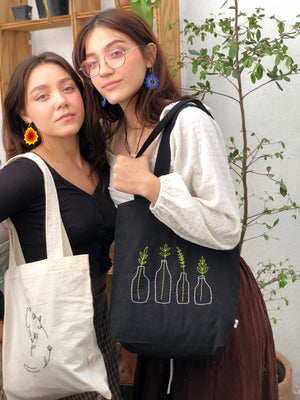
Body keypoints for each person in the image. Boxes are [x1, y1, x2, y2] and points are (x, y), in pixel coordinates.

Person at [73, 8, 279, 400]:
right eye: (91, 62)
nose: (103, 70)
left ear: (149, 55)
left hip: (205, 298)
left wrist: (153, 188)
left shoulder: (187, 122)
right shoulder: (110, 137)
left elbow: (226, 227)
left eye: (116, 53)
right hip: (151, 300)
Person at [0, 52, 122, 400]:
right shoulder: (26, 173)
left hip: (98, 317)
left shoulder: (99, 165)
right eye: (42, 95)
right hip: (53, 328)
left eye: (68, 88)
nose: (61, 101)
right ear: (24, 114)